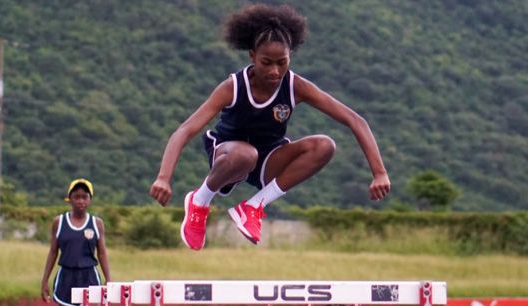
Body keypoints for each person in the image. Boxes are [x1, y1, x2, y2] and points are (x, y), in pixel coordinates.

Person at [149, 4, 390, 250]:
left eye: (282, 62)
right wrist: (163, 178)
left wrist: (379, 172)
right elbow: (185, 130)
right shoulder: (233, 87)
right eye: (266, 62)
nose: (275, 71)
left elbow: (355, 120)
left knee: (324, 146)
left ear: (290, 57)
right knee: (245, 154)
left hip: (268, 158)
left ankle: (254, 206)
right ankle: (200, 201)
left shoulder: (296, 86)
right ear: (252, 56)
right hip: (229, 156)